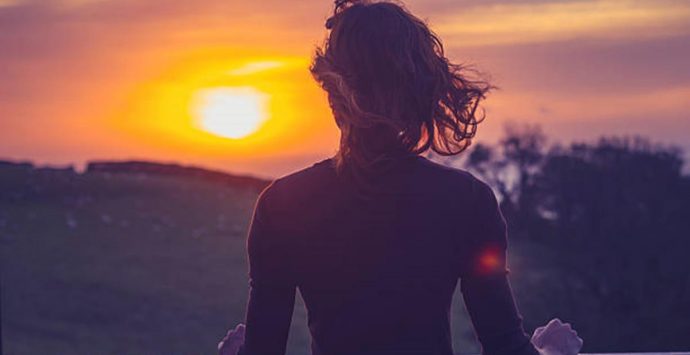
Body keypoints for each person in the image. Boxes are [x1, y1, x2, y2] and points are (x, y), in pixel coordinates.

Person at [220, 1, 583, 354]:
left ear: (332, 94)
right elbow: (505, 347)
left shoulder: (282, 205)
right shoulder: (467, 201)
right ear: (422, 91)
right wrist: (552, 351)